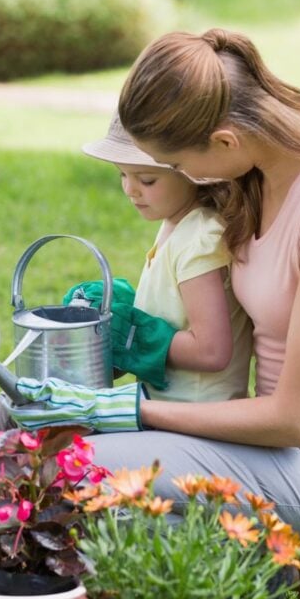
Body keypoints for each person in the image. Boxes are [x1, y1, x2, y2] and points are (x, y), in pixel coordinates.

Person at [2, 28, 300, 599]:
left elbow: (292, 420)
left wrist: (126, 413)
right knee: (54, 452)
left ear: (223, 140)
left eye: (177, 164)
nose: (177, 178)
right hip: (282, 455)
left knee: (74, 470)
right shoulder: (253, 175)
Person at [64, 111, 252, 403]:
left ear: (190, 170)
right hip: (167, 408)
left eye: (147, 180)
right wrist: (118, 310)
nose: (130, 189)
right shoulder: (175, 222)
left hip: (201, 419)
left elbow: (212, 351)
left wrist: (132, 335)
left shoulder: (200, 237)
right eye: (122, 174)